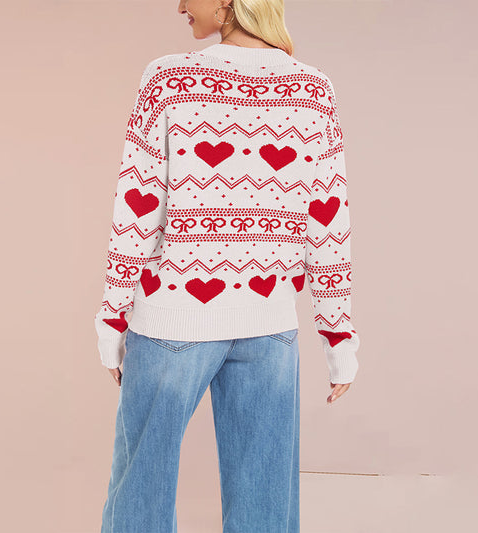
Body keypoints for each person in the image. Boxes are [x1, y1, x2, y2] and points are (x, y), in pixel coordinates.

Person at [94, 1, 361, 531]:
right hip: (270, 326)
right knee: (265, 507)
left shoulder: (169, 78)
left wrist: (111, 319)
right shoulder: (313, 89)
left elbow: (137, 208)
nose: (179, 6)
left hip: (173, 321)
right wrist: (339, 337)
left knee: (140, 493)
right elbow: (328, 222)